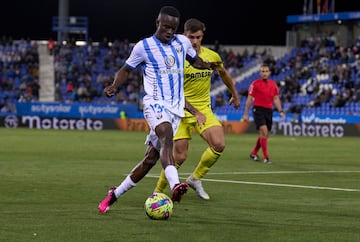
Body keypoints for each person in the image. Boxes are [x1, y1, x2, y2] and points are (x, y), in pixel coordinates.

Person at [98, 6, 221, 213]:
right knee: (166, 135)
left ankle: (114, 194)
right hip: (154, 103)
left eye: (173, 28)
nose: (170, 31)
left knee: (149, 161)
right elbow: (126, 69)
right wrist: (114, 86)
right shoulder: (143, 47)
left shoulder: (182, 42)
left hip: (175, 109)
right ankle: (175, 186)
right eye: (166, 27)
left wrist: (207, 65)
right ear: (157, 23)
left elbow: (194, 60)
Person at [154, 18, 240, 200]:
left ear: (202, 36)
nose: (194, 41)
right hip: (179, 111)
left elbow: (223, 73)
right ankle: (157, 193)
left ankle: (195, 179)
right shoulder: (175, 59)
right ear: (184, 35)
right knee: (179, 156)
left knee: (219, 144)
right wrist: (195, 112)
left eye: (198, 37)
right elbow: (173, 92)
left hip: (204, 109)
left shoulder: (212, 56)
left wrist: (234, 93)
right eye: (190, 37)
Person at [242, 64, 286, 164]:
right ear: (260, 73)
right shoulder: (255, 84)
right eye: (262, 71)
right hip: (258, 110)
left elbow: (276, 98)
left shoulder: (273, 84)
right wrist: (246, 114)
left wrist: (281, 111)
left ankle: (253, 153)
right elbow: (249, 99)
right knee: (264, 131)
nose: (264, 73)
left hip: (268, 111)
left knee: (264, 134)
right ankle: (266, 158)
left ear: (269, 73)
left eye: (266, 71)